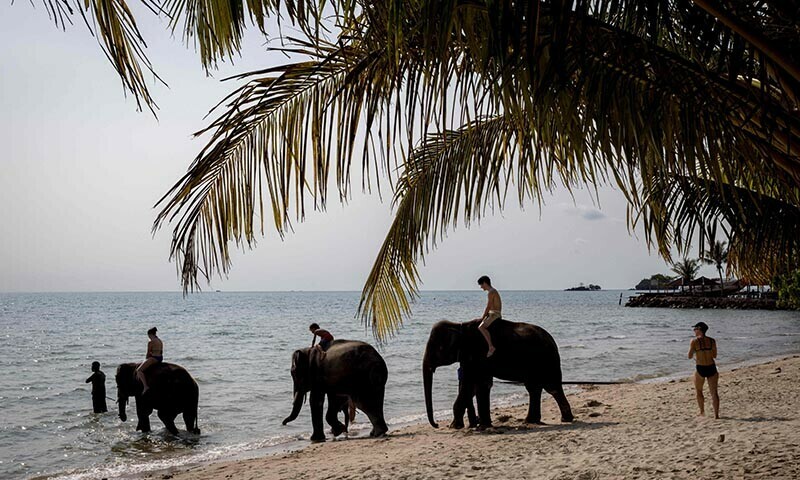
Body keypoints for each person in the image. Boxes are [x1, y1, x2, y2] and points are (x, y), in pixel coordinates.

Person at [688, 321, 720, 419]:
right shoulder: (712, 341)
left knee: (699, 391)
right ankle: (716, 415)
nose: (694, 331)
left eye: (695, 329)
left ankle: (702, 412)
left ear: (699, 330)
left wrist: (697, 354)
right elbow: (714, 355)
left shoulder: (694, 341)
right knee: (714, 392)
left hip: (700, 368)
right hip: (711, 367)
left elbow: (689, 356)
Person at [475, 275, 502, 357]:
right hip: (492, 313)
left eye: (481, 285)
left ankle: (491, 347)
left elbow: (488, 306)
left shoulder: (491, 292)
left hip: (495, 314)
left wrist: (483, 317)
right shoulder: (493, 291)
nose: (481, 287)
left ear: (485, 283)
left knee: (481, 327)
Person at [136, 327, 163, 394]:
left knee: (139, 370)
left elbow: (148, 353)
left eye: (148, 335)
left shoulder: (151, 342)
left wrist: (146, 360)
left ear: (150, 334)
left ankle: (145, 386)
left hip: (154, 358)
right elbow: (161, 351)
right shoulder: (159, 340)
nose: (148, 337)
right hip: (160, 358)